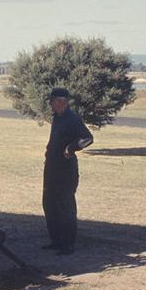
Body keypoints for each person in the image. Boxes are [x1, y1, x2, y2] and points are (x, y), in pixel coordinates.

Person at [42, 88, 93, 255]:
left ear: (65, 102)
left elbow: (87, 138)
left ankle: (68, 244)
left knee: (65, 206)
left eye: (60, 101)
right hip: (52, 168)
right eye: (54, 101)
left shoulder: (72, 119)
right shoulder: (58, 118)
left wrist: (71, 148)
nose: (56, 105)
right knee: (50, 204)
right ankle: (56, 241)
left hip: (65, 169)